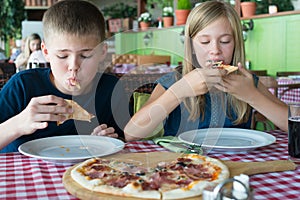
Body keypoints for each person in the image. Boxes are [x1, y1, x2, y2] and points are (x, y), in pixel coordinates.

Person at [124, 1, 288, 141]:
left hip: (239, 164)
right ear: (191, 47)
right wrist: (180, 91)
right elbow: (131, 133)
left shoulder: (246, 82)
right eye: (204, 41)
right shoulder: (175, 80)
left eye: (225, 41)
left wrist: (252, 95)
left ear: (236, 44)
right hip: (184, 167)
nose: (215, 50)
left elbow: (292, 124)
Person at [0, 0, 128, 152]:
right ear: (45, 52)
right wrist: (18, 124)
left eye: (86, 55)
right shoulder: (22, 86)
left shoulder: (112, 89)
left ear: (102, 52)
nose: (73, 66)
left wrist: (106, 141)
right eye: (62, 56)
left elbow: (124, 140)